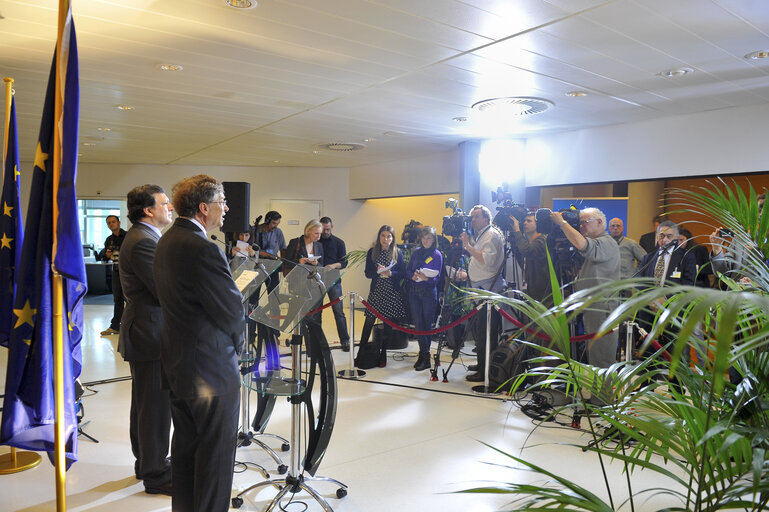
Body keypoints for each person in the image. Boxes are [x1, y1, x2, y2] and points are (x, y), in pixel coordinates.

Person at [153, 175, 245, 512]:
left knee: (187, 455)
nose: (227, 208)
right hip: (211, 372)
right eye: (222, 201)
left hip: (179, 367)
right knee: (215, 463)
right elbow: (231, 311)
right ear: (204, 207)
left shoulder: (166, 240)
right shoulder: (204, 248)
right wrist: (240, 349)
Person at [117, 184, 174, 495]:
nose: (170, 208)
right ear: (149, 210)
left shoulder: (144, 236)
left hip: (146, 330)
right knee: (154, 406)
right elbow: (163, 289)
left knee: (145, 403)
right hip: (149, 333)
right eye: (164, 203)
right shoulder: (142, 241)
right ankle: (156, 473)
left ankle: (146, 463)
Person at [549, 207, 620, 369]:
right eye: (579, 224)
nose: (581, 227)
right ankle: (597, 394)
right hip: (593, 309)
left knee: (601, 360)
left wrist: (562, 223)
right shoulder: (598, 243)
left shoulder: (606, 242)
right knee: (594, 358)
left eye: (584, 223)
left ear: (600, 222)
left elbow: (583, 245)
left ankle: (603, 395)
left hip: (602, 310)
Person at [457, 205, 506, 382]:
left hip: (488, 290)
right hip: (481, 290)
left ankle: (486, 370)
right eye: (471, 217)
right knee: (480, 331)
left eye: (476, 217)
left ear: (487, 218)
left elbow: (486, 260)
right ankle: (481, 363)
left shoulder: (491, 234)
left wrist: (467, 246)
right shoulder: (483, 234)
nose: (473, 220)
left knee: (487, 333)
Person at [355, 225, 407, 368]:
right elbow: (367, 273)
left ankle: (383, 354)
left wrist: (391, 274)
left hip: (391, 292)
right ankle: (361, 353)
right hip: (377, 291)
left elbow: (403, 273)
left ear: (393, 238)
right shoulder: (372, 252)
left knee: (387, 326)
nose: (385, 239)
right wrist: (377, 272)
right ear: (379, 237)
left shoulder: (398, 253)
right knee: (368, 323)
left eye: (389, 236)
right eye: (383, 236)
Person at [406, 226, 443, 371]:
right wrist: (413, 276)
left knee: (426, 325)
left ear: (434, 240)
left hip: (428, 292)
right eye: (423, 238)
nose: (425, 241)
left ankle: (425, 356)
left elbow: (438, 279)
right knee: (418, 324)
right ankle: (424, 354)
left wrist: (426, 278)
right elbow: (408, 270)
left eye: (429, 238)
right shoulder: (416, 252)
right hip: (414, 291)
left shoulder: (437, 255)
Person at [319, 216, 351, 351]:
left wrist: (334, 265)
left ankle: (345, 340)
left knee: (339, 312)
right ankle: (318, 341)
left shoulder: (339, 242)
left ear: (332, 227)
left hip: (334, 280)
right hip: (317, 280)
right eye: (323, 229)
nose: (325, 232)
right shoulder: (315, 241)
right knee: (316, 313)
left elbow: (344, 262)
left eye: (328, 229)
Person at [511, 213, 552, 305]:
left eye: (529, 221)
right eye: (524, 221)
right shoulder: (528, 243)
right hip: (531, 291)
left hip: (544, 295)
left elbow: (527, 251)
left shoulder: (543, 240)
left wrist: (517, 231)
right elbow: (523, 262)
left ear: (538, 224)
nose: (525, 223)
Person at [97, 214, 126, 335]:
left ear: (119, 223)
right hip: (116, 271)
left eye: (113, 222)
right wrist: (107, 256)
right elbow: (105, 256)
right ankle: (115, 326)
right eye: (108, 223)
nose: (111, 224)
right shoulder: (109, 240)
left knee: (131, 299)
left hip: (128, 272)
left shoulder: (128, 236)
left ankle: (130, 325)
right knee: (117, 299)